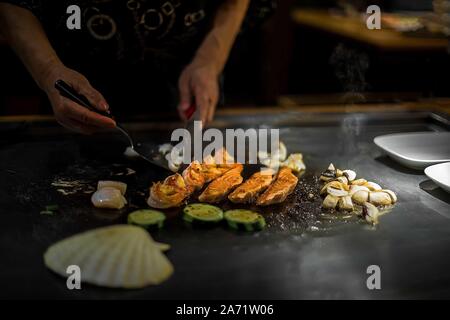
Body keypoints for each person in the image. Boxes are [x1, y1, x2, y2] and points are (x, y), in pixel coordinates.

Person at [0, 0, 251, 134]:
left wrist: (209, 60)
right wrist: (48, 70)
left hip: (187, 71)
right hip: (76, 80)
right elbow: (12, 4)